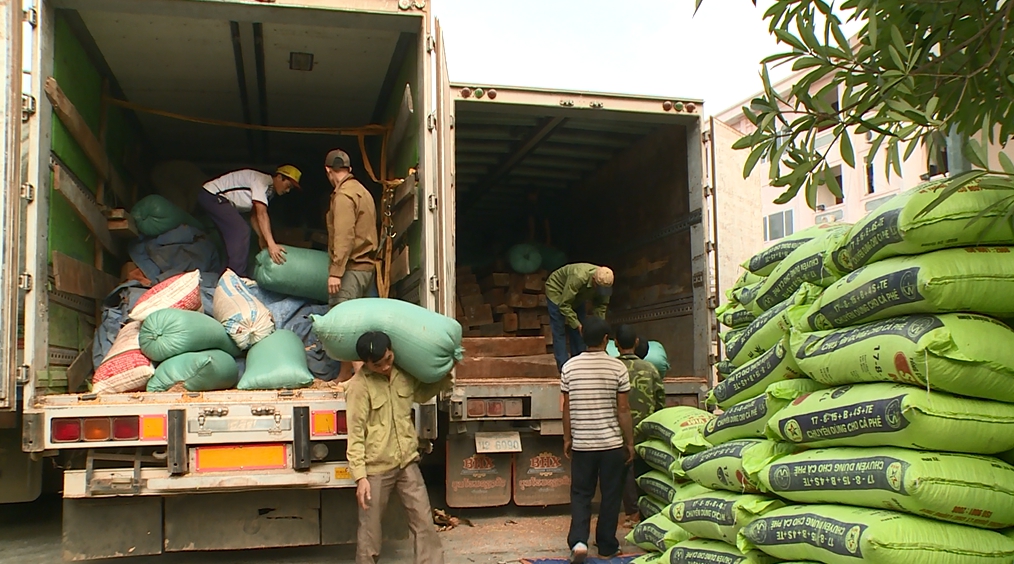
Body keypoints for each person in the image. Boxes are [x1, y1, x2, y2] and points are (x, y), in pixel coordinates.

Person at [345, 331, 449, 564]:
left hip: (407, 462)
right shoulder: (359, 387)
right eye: (378, 364)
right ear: (367, 364)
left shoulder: (403, 374)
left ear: (392, 352)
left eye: (388, 359)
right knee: (370, 531)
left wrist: (446, 372)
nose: (385, 367)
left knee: (424, 522)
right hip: (376, 468)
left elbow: (421, 393)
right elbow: (356, 434)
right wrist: (360, 477)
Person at [561, 317, 634, 563]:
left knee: (581, 494)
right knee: (611, 494)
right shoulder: (618, 368)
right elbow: (623, 410)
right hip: (611, 444)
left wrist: (568, 437)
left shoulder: (569, 367)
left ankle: (579, 542)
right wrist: (629, 442)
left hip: (583, 444)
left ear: (583, 338)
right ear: (606, 340)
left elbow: (567, 408)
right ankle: (606, 545)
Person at [197, 166, 301, 277]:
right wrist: (272, 244)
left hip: (215, 198)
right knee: (241, 230)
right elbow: (262, 214)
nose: (288, 190)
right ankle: (237, 278)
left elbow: (254, 216)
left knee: (232, 239)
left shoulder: (269, 192)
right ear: (279, 177)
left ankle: (224, 277)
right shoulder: (262, 182)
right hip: (213, 195)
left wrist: (262, 238)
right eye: (288, 186)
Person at [613, 325, 665, 528]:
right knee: (644, 470)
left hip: (618, 431)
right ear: (636, 343)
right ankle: (646, 510)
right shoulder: (650, 369)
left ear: (616, 343)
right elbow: (660, 400)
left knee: (624, 472)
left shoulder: (613, 368)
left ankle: (632, 513)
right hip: (645, 429)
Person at [324, 149, 379, 305]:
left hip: (351, 272)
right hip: (367, 272)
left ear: (328, 170)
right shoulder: (363, 192)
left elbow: (344, 235)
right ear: (349, 169)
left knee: (339, 325)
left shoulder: (343, 196)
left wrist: (336, 272)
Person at [545, 263, 614, 371]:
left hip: (578, 295)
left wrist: (600, 327)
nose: (601, 292)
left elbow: (601, 306)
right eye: (599, 289)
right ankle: (564, 368)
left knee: (580, 332)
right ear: (593, 280)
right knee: (560, 330)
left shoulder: (605, 283)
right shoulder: (579, 276)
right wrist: (577, 325)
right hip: (558, 291)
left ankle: (580, 364)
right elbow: (564, 305)